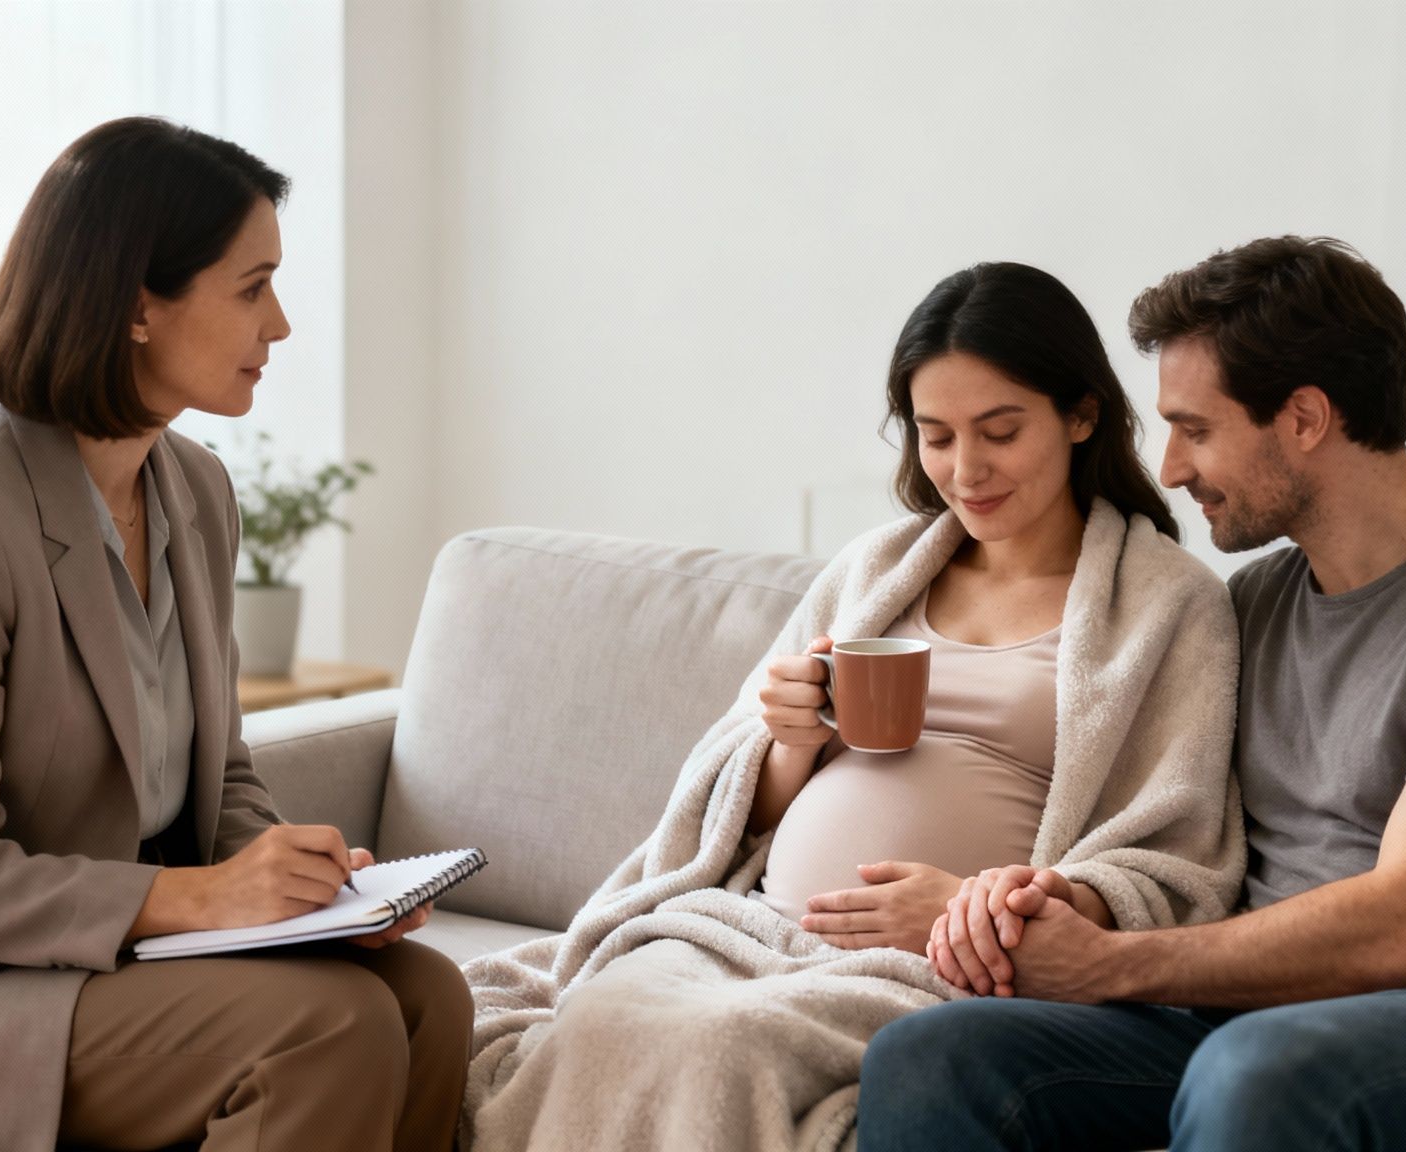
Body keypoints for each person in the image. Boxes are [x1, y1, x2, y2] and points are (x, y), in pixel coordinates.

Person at [0, 117, 472, 1152]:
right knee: (325, 1028)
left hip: (87, 967)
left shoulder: (197, 492)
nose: (283, 326)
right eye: (252, 288)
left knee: (427, 994)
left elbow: (215, 773)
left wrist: (304, 887)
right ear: (136, 306)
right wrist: (202, 897)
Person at [860, 236, 1406, 1152]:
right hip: (1246, 1011)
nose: (1175, 468)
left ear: (1304, 418)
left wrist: (1109, 965)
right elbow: (1168, 824)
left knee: (1261, 1075)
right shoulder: (1255, 603)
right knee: (932, 1055)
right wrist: (1060, 901)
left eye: (1196, 428)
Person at [462, 262, 1244, 1151]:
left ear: (1080, 415)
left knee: (719, 1049)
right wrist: (788, 739)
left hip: (936, 961)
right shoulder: (877, 569)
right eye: (936, 436)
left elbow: (1172, 849)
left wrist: (981, 916)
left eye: (999, 430)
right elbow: (728, 814)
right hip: (748, 924)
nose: (965, 468)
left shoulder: (1164, 603)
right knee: (603, 1022)